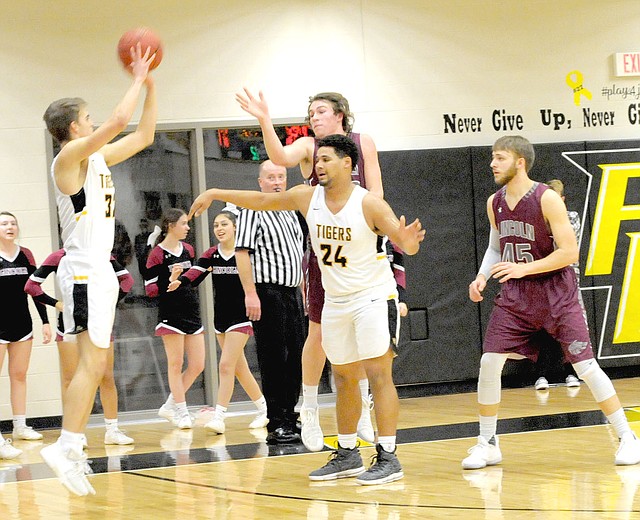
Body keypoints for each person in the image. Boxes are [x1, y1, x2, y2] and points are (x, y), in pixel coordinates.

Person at [189, 134, 425, 485]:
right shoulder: (306, 196)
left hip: (372, 297)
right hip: (336, 300)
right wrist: (215, 193)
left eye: (327, 159)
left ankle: (388, 455)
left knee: (378, 374)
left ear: (348, 163)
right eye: (317, 160)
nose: (319, 165)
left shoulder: (369, 204)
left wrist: (407, 240)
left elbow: (403, 241)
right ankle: (347, 452)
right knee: (343, 376)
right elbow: (259, 200)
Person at [463, 135, 640, 470]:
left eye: (499, 158)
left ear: (519, 162)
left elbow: (569, 253)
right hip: (516, 297)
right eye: (491, 157)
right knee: (489, 361)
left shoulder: (547, 199)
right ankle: (487, 442)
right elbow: (496, 248)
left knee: (585, 367)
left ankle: (627, 436)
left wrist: (523, 268)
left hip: (557, 293)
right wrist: (482, 277)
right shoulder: (494, 202)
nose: (492, 163)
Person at [236, 89, 382, 451]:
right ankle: (311, 407)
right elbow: (279, 157)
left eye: (320, 111)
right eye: (310, 112)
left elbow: (377, 193)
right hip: (325, 254)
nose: (314, 117)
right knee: (316, 333)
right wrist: (264, 119)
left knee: (364, 336)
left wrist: (386, 236)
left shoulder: (364, 144)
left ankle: (363, 406)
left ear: (340, 115)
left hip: (363, 252)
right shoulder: (308, 146)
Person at [40, 43, 157, 496]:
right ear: (73, 127)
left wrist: (151, 85)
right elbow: (118, 123)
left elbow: (143, 134)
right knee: (90, 365)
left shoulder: (98, 160)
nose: (93, 124)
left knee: (96, 363)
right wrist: (135, 77)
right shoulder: (67, 160)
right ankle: (66, 446)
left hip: (100, 273)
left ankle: (71, 447)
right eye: (87, 119)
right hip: (85, 270)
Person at [167, 209, 269, 434]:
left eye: (224, 224)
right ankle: (264, 409)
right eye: (216, 225)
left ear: (235, 227)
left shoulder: (245, 253)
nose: (219, 229)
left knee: (225, 366)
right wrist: (180, 281)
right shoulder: (212, 254)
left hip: (242, 317)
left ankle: (219, 416)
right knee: (240, 368)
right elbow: (196, 272)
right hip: (220, 318)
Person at [25, 248, 135, 446]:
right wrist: (58, 304)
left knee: (106, 376)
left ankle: (112, 429)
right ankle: (75, 433)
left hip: (99, 322)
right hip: (69, 324)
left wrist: (108, 304)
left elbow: (127, 281)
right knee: (70, 378)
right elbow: (32, 286)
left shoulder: (102, 254)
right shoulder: (59, 256)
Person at [230, 160, 306, 445]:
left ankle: (291, 415)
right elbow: (242, 253)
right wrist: (250, 293)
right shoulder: (252, 209)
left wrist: (303, 289)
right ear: (260, 182)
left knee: (297, 354)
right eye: (271, 177)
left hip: (292, 291)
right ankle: (276, 421)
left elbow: (297, 255)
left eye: (281, 176)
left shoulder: (291, 209)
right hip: (267, 291)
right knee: (274, 356)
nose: (277, 182)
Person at [145, 209, 205, 430]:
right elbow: (150, 290)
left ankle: (170, 405)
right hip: (170, 314)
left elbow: (192, 281)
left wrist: (201, 272)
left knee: (198, 364)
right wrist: (169, 280)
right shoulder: (157, 255)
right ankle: (181, 410)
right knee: (175, 363)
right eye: (184, 223)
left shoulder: (188, 250)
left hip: (191, 311)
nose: (188, 228)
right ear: (171, 225)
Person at [0, 211, 51, 459]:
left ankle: (20, 425)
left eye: (13, 223)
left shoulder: (26, 254)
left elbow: (35, 288)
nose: (10, 227)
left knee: (19, 375)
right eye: (4, 223)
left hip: (22, 323)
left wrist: (45, 321)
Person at [533, 179, 581, 391]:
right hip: (542, 279)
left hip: (567, 279)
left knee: (570, 327)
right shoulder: (535, 220)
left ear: (562, 200)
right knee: (543, 327)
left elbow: (558, 249)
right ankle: (541, 374)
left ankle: (571, 372)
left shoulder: (571, 218)